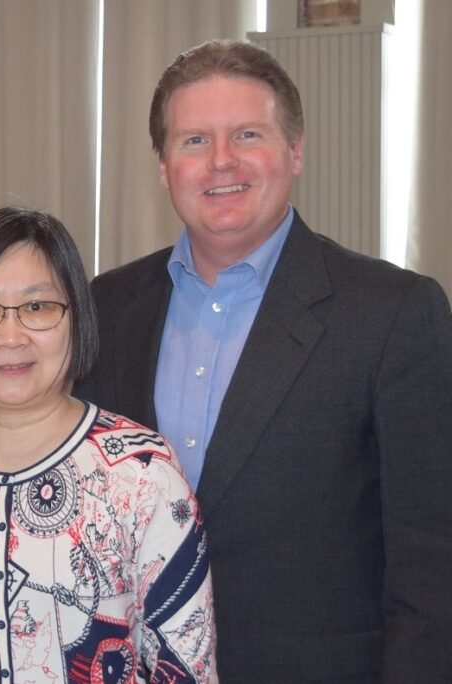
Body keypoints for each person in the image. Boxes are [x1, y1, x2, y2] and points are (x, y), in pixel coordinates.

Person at [74, 40, 452, 683]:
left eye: (248, 134)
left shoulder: (393, 313)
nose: (222, 161)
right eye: (194, 140)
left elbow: (432, 562)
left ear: (295, 151)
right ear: (164, 165)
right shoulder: (103, 308)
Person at [0, 207, 216, 683]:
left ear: (77, 319)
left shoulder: (142, 471)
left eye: (38, 307)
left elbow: (186, 667)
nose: (11, 336)